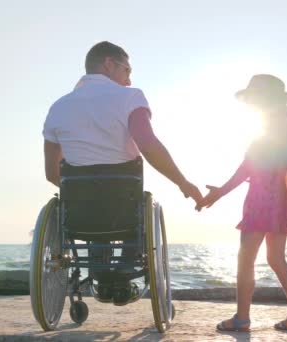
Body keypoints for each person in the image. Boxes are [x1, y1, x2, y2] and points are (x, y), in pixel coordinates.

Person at [43, 41, 202, 305]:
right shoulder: (130, 97)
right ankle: (121, 275)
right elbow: (148, 145)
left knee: (94, 206)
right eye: (127, 71)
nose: (129, 81)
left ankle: (100, 272)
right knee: (134, 204)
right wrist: (182, 183)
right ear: (108, 63)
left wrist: (85, 188)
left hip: (81, 213)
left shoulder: (58, 107)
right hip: (125, 205)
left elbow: (51, 173)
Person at [196, 74, 287, 331]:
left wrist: (219, 193)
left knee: (246, 258)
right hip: (282, 203)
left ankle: (241, 318)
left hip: (262, 201)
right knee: (276, 258)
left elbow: (246, 169)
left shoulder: (268, 131)